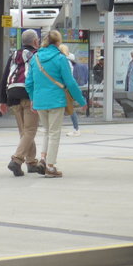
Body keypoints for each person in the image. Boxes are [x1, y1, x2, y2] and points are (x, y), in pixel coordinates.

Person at [26, 30, 87, 178]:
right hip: (56, 100)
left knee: (47, 131)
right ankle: (51, 167)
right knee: (54, 133)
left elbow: (29, 82)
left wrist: (33, 99)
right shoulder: (61, 58)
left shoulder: (36, 58)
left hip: (40, 101)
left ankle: (43, 159)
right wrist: (81, 100)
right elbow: (70, 83)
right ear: (58, 43)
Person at [0, 29, 45, 177]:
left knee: (24, 132)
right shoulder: (36, 56)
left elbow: (5, 76)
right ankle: (16, 160)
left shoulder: (14, 55)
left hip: (12, 94)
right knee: (30, 131)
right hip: (28, 94)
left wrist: (2, 100)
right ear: (36, 42)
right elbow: (38, 77)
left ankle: (31, 163)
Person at [60, 44, 82, 135]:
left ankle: (76, 128)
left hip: (65, 88)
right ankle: (76, 128)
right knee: (65, 108)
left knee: (69, 108)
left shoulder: (65, 62)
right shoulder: (67, 61)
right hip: (67, 88)